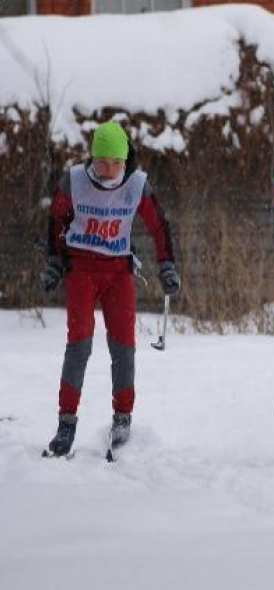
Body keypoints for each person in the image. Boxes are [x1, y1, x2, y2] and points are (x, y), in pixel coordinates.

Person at [40, 121, 180, 456]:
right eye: (102, 162)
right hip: (82, 270)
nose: (109, 169)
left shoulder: (136, 184)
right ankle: (66, 424)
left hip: (118, 272)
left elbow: (160, 225)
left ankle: (122, 419)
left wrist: (167, 265)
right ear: (92, 157)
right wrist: (55, 263)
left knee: (123, 347)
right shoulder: (73, 180)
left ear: (125, 158)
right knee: (79, 345)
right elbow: (57, 222)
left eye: (116, 162)